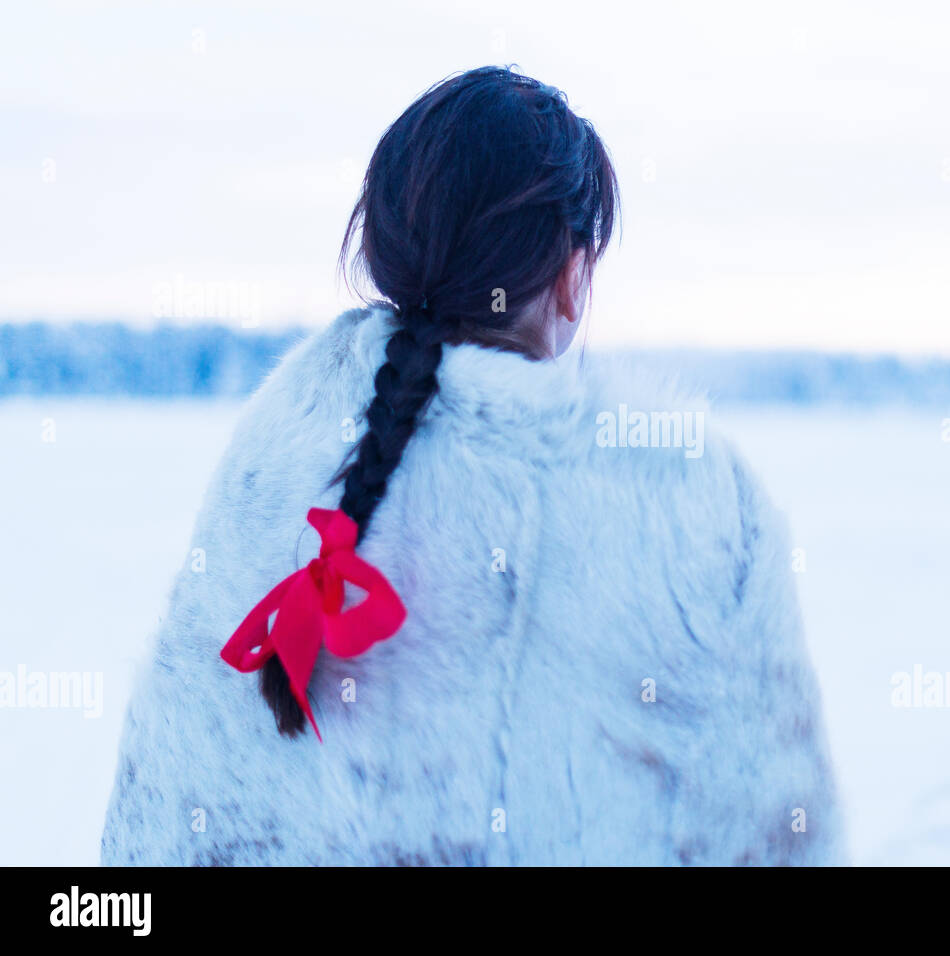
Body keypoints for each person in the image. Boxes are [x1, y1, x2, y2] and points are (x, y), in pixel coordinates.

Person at [101, 66, 841, 865]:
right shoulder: (690, 494)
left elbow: (162, 807)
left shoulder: (277, 446)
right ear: (570, 278)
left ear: (386, 249)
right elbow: (775, 824)